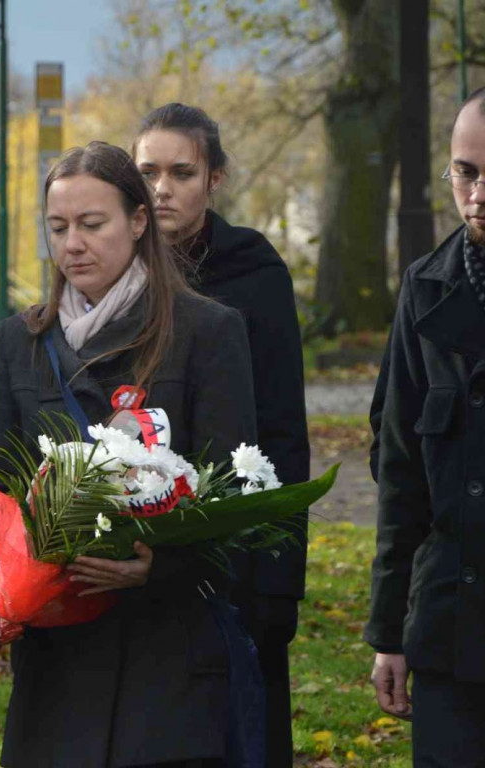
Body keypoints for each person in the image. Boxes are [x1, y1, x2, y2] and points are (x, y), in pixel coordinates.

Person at [0, 141, 258, 767]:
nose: (73, 244)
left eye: (92, 224)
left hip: (165, 659)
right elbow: (1, 493)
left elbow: (240, 496)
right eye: (58, 227)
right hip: (56, 663)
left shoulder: (207, 331)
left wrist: (160, 566)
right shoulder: (23, 339)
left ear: (138, 221)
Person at [132, 103, 310, 766]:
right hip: (138, 546)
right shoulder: (114, 265)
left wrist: (278, 578)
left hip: (237, 549)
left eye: (182, 171)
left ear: (215, 179)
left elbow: (284, 433)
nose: (162, 187)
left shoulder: (255, 276)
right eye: (147, 170)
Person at [365, 86, 485, 765]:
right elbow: (399, 471)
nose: (478, 193)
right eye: (465, 172)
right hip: (450, 628)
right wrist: (390, 632)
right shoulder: (425, 288)